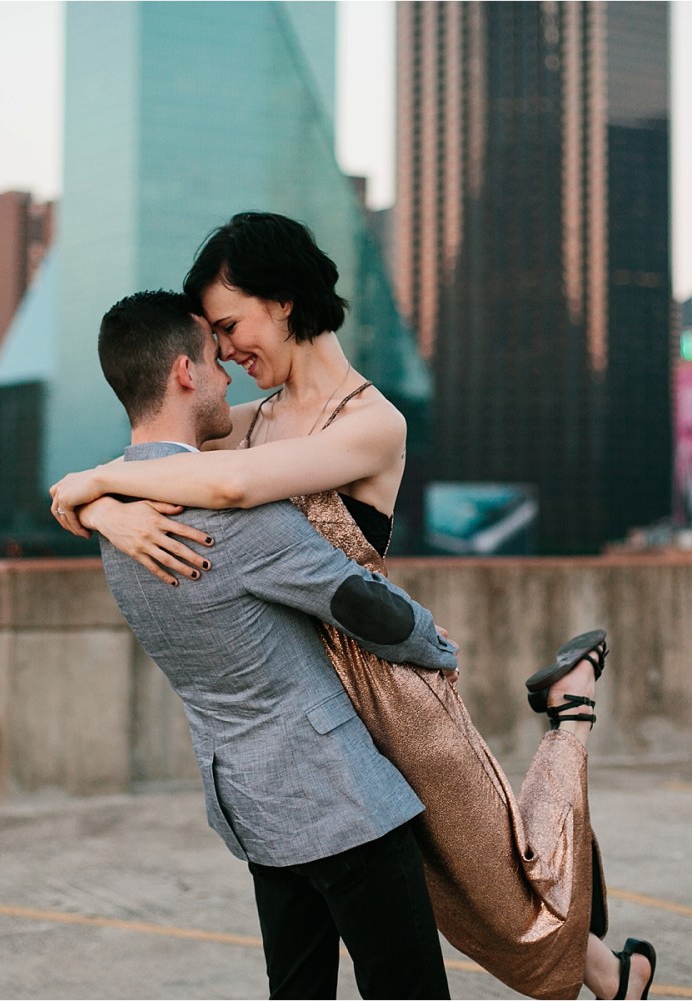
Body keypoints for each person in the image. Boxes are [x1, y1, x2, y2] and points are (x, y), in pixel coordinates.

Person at [50, 214, 657, 1001]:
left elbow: (220, 488)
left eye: (232, 324)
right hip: (311, 693)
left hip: (386, 687)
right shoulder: (248, 420)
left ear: (286, 300)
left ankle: (571, 709)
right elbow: (156, 450)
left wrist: (92, 489)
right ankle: (621, 979)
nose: (226, 350)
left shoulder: (372, 422)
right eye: (216, 338)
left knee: (503, 882)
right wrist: (104, 508)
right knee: (445, 894)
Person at [87, 289, 459, 1000]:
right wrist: (435, 643)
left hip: (249, 801)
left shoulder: (115, 519)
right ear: (184, 374)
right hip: (338, 797)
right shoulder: (236, 519)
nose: (228, 367)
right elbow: (362, 604)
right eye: (214, 356)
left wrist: (94, 495)